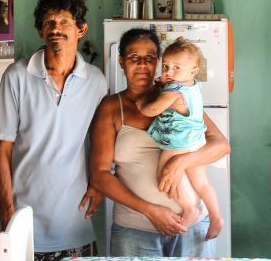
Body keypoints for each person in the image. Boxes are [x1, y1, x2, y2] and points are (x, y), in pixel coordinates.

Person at [89, 28, 231, 257]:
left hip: (191, 227)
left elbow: (221, 146)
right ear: (122, 61)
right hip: (135, 229)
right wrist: (151, 211)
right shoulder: (111, 107)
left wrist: (181, 163)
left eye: (150, 58)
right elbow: (100, 175)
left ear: (157, 61)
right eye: (134, 57)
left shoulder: (176, 97)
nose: (142, 64)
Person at [0, 0, 108, 261]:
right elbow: (2, 149)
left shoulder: (96, 81)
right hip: (25, 219)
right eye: (49, 23)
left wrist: (99, 185)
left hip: (75, 218)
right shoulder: (17, 76)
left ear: (81, 29)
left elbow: (102, 141)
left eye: (65, 22)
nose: (56, 29)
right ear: (41, 32)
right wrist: (7, 209)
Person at [135, 37, 224, 239]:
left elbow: (152, 110)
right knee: (201, 183)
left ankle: (189, 209)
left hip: (178, 143)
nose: (168, 72)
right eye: (166, 66)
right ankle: (217, 217)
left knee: (164, 176)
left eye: (176, 68)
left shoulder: (174, 93)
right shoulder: (191, 86)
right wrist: (164, 84)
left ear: (194, 70)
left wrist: (142, 102)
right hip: (196, 141)